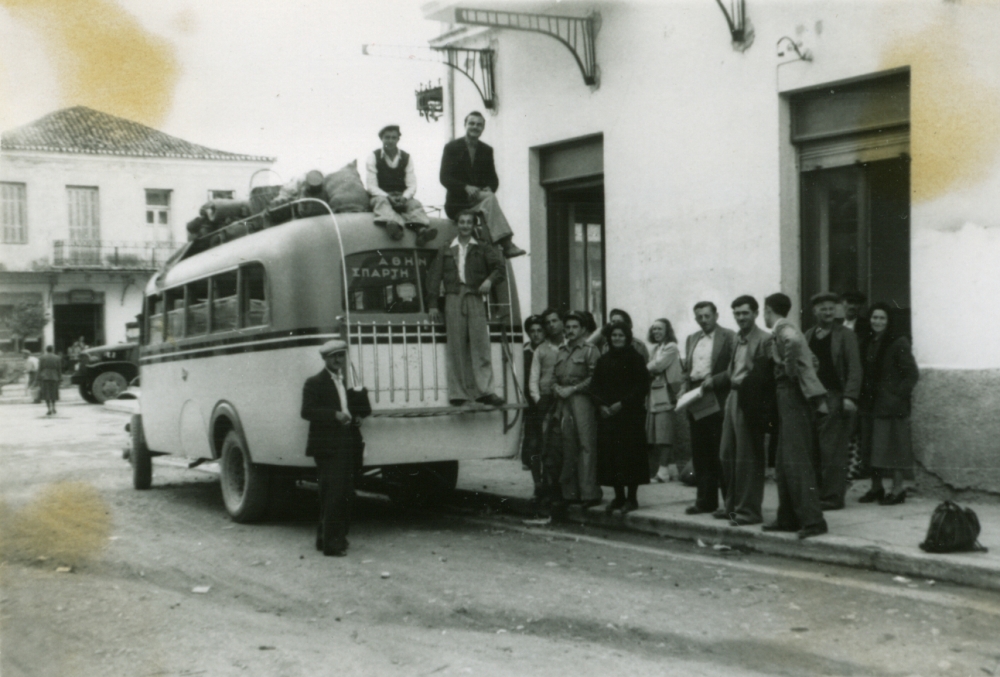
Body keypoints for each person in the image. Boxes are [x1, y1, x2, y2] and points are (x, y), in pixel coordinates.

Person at [761, 293, 829, 539]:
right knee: (783, 461)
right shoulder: (790, 328)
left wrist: (788, 370)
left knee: (796, 459)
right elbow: (812, 359)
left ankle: (813, 520)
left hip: (790, 394)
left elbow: (792, 344)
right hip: (788, 395)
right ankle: (788, 517)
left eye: (763, 311)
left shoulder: (784, 328)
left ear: (768, 310)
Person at [425, 209, 506, 407]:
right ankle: (458, 394)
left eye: (469, 222)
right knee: (456, 346)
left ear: (473, 225)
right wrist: (433, 305)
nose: (465, 226)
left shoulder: (482, 247)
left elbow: (499, 268)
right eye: (462, 222)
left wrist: (488, 281)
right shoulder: (446, 248)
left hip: (475, 296)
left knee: (480, 344)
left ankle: (485, 392)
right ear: (457, 224)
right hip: (453, 297)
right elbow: (434, 278)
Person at [300, 340, 366, 557]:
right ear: (324, 359)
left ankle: (327, 538)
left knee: (343, 492)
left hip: (345, 442)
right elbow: (307, 411)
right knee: (334, 494)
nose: (338, 360)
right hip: (327, 445)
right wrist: (334, 415)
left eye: (341, 356)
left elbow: (345, 407)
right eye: (333, 357)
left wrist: (353, 417)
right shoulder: (314, 382)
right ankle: (332, 544)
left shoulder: (342, 380)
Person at [439, 111, 526, 259]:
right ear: (465, 125)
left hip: (478, 201)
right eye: (471, 123)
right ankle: (507, 244)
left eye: (479, 124)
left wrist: (489, 187)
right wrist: (465, 187)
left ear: (483, 128)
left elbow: (493, 179)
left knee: (489, 196)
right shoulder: (452, 148)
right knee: (490, 199)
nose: (475, 127)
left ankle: (502, 247)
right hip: (457, 203)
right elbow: (444, 177)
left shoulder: (486, 150)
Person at [804, 292, 863, 510]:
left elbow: (855, 369)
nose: (828, 312)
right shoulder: (809, 335)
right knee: (815, 449)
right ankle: (819, 493)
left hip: (835, 397)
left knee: (832, 449)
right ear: (814, 311)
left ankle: (833, 497)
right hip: (812, 398)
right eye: (823, 309)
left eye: (831, 308)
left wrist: (850, 397)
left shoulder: (845, 335)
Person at [857, 303, 919, 505]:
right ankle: (876, 488)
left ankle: (898, 490)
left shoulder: (898, 342)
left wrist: (896, 396)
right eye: (874, 317)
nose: (877, 322)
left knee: (894, 448)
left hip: (891, 405)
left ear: (889, 321)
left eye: (882, 318)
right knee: (871, 447)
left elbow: (911, 374)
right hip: (870, 403)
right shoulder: (866, 341)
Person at [719, 296, 772, 527]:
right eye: (737, 314)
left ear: (756, 313)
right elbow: (732, 371)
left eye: (745, 313)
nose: (741, 317)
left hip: (750, 400)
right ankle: (732, 508)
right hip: (733, 396)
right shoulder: (736, 339)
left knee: (747, 458)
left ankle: (749, 512)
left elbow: (764, 376)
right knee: (726, 454)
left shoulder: (765, 340)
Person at [682, 301, 736, 516]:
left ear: (716, 315)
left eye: (707, 316)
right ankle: (705, 501)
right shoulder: (692, 339)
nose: (703, 320)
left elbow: (735, 367)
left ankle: (729, 505)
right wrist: (685, 388)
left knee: (720, 452)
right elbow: (688, 369)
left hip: (718, 397)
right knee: (700, 452)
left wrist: (715, 380)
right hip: (696, 397)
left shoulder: (729, 336)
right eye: (699, 317)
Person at [592, 322, 650, 514]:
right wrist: (600, 405)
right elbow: (595, 386)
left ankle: (631, 499)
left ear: (627, 337)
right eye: (614, 335)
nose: (617, 338)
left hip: (629, 416)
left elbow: (642, 387)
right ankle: (618, 497)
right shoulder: (604, 359)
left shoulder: (636, 358)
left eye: (621, 335)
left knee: (630, 457)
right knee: (612, 457)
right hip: (608, 415)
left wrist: (622, 404)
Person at [553, 312, 602, 509]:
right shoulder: (561, 350)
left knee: (586, 445)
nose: (570, 331)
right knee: (568, 444)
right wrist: (557, 388)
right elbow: (555, 376)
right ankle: (571, 493)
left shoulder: (591, 350)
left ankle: (589, 493)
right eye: (567, 328)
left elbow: (594, 377)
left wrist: (572, 389)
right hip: (563, 400)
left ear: (582, 329)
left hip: (582, 400)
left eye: (574, 327)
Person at [365, 125, 437, 246]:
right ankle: (394, 228)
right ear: (381, 139)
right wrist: (388, 197)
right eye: (387, 137)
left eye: (394, 137)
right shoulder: (373, 156)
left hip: (401, 196)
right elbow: (371, 186)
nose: (390, 140)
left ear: (398, 139)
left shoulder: (406, 157)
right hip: (381, 196)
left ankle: (421, 232)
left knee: (415, 204)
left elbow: (412, 185)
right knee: (381, 203)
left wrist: (404, 197)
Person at [529, 308, 567, 513]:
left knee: (559, 445)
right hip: (545, 401)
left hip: (564, 399)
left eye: (555, 320)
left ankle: (561, 490)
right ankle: (544, 489)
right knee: (542, 446)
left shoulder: (569, 345)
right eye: (548, 322)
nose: (552, 325)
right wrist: (539, 400)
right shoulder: (541, 350)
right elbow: (533, 379)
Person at [645, 319, 683, 483]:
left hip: (666, 395)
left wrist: (647, 368)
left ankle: (662, 473)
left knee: (664, 436)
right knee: (660, 433)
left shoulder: (671, 347)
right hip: (655, 395)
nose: (656, 332)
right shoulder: (656, 348)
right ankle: (672, 470)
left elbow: (658, 366)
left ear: (667, 330)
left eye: (660, 329)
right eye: (654, 329)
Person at [521, 314, 547, 494]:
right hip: (531, 407)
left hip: (547, 403)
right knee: (533, 445)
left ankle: (550, 484)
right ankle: (537, 483)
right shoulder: (524, 352)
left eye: (539, 331)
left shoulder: (550, 349)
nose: (536, 335)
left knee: (549, 446)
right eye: (532, 331)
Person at [38, 346, 61, 416]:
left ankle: (49, 409)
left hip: (45, 377)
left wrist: (38, 378)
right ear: (52, 350)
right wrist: (60, 378)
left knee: (46, 393)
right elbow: (59, 369)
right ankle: (54, 407)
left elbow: (40, 368)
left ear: (46, 350)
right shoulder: (57, 357)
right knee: (53, 393)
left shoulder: (42, 358)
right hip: (54, 376)